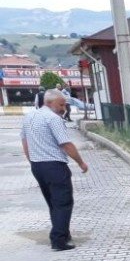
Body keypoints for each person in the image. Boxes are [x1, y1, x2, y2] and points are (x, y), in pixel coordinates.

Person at [21, 89, 89, 251]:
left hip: (38, 166)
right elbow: (65, 144)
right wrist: (81, 163)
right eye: (60, 104)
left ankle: (63, 234)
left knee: (53, 203)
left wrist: (32, 161)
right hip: (54, 166)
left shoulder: (29, 117)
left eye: (65, 104)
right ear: (49, 102)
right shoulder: (53, 119)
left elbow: (25, 142)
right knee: (63, 203)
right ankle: (59, 240)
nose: (63, 108)